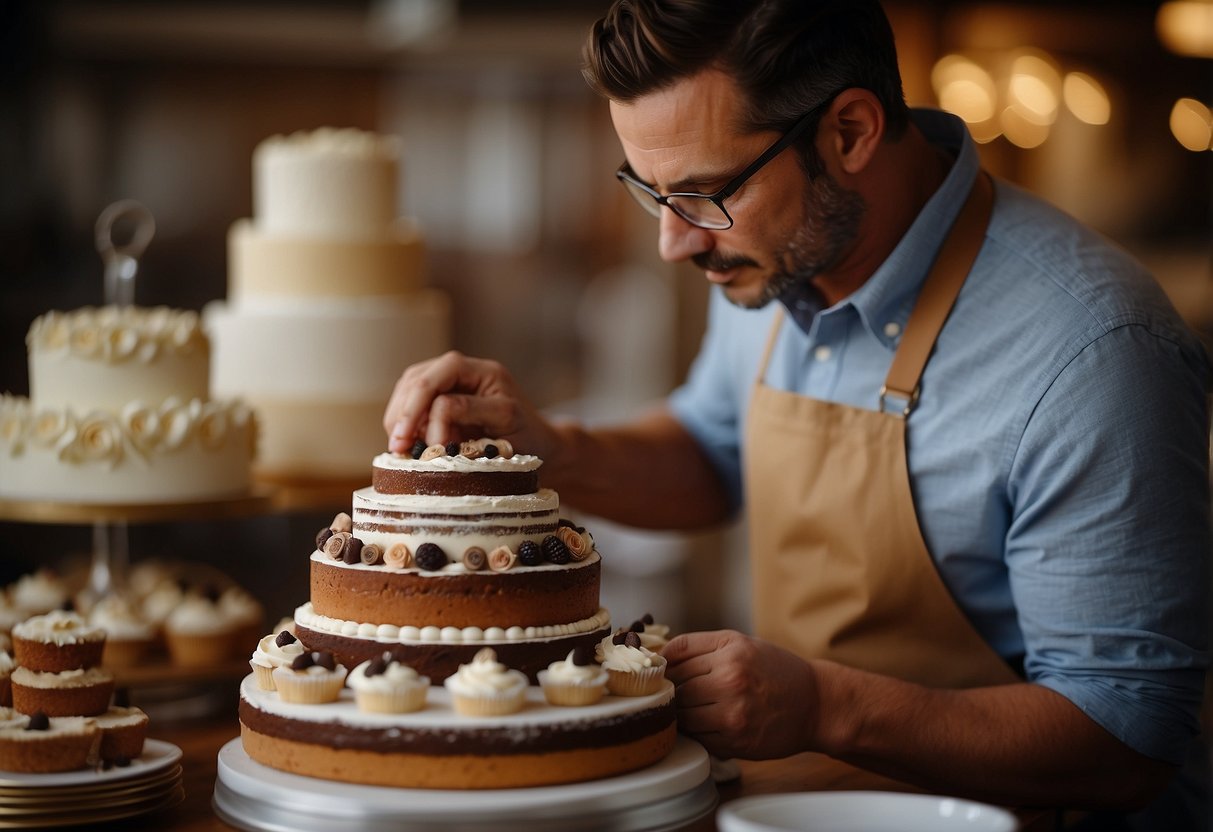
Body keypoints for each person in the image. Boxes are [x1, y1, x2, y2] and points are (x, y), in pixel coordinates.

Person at [384, 0, 1211, 816]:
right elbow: (713, 454)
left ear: (848, 132)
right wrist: (546, 449)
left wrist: (825, 707)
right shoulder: (767, 255)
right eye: (652, 193)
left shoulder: (1095, 351)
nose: (676, 243)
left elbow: (1124, 736)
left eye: (704, 193)